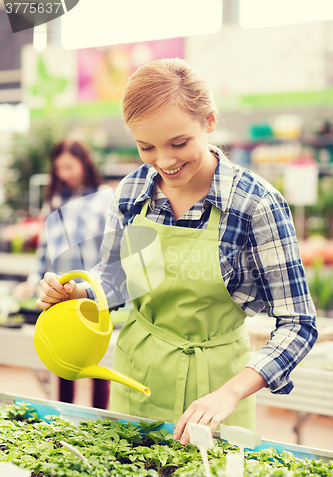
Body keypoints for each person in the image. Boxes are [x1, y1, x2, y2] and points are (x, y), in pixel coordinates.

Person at [36, 59, 318, 445]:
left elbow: (299, 323)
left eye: (179, 143)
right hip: (137, 384)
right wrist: (80, 294)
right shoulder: (132, 192)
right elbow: (119, 280)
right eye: (146, 147)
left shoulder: (256, 204)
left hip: (217, 396)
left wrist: (230, 393)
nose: (165, 161)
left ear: (209, 122)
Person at [15, 139, 114, 409]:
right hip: (61, 292)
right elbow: (45, 248)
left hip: (93, 293)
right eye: (60, 168)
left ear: (85, 163)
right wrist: (34, 280)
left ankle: (97, 422)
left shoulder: (105, 198)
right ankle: (63, 420)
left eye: (69, 166)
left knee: (96, 363)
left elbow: (113, 249)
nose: (64, 173)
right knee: (64, 361)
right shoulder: (55, 200)